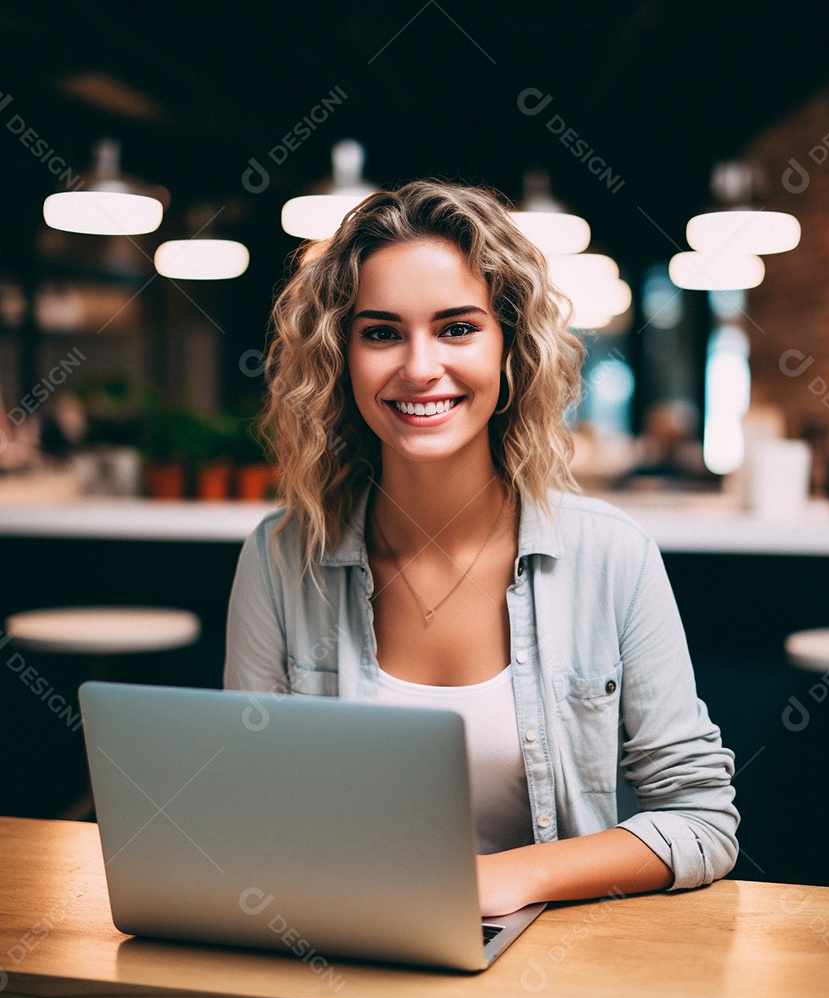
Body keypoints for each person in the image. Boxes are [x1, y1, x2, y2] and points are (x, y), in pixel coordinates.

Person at [224, 179, 738, 917]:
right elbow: (246, 808)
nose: (419, 366)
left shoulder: (612, 557)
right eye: (381, 332)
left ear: (510, 352)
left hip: (559, 970)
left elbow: (701, 819)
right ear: (342, 358)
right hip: (343, 948)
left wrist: (509, 878)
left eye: (458, 328)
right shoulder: (279, 559)